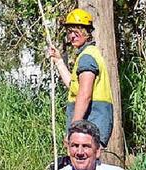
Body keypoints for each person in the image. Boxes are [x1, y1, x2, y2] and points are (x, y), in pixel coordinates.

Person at [48, 9, 114, 148]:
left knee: (86, 167)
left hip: (89, 127)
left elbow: (84, 95)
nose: (72, 36)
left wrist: (73, 129)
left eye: (75, 31)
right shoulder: (88, 55)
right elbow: (74, 88)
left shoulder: (87, 58)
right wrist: (59, 62)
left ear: (86, 32)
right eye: (69, 32)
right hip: (91, 127)